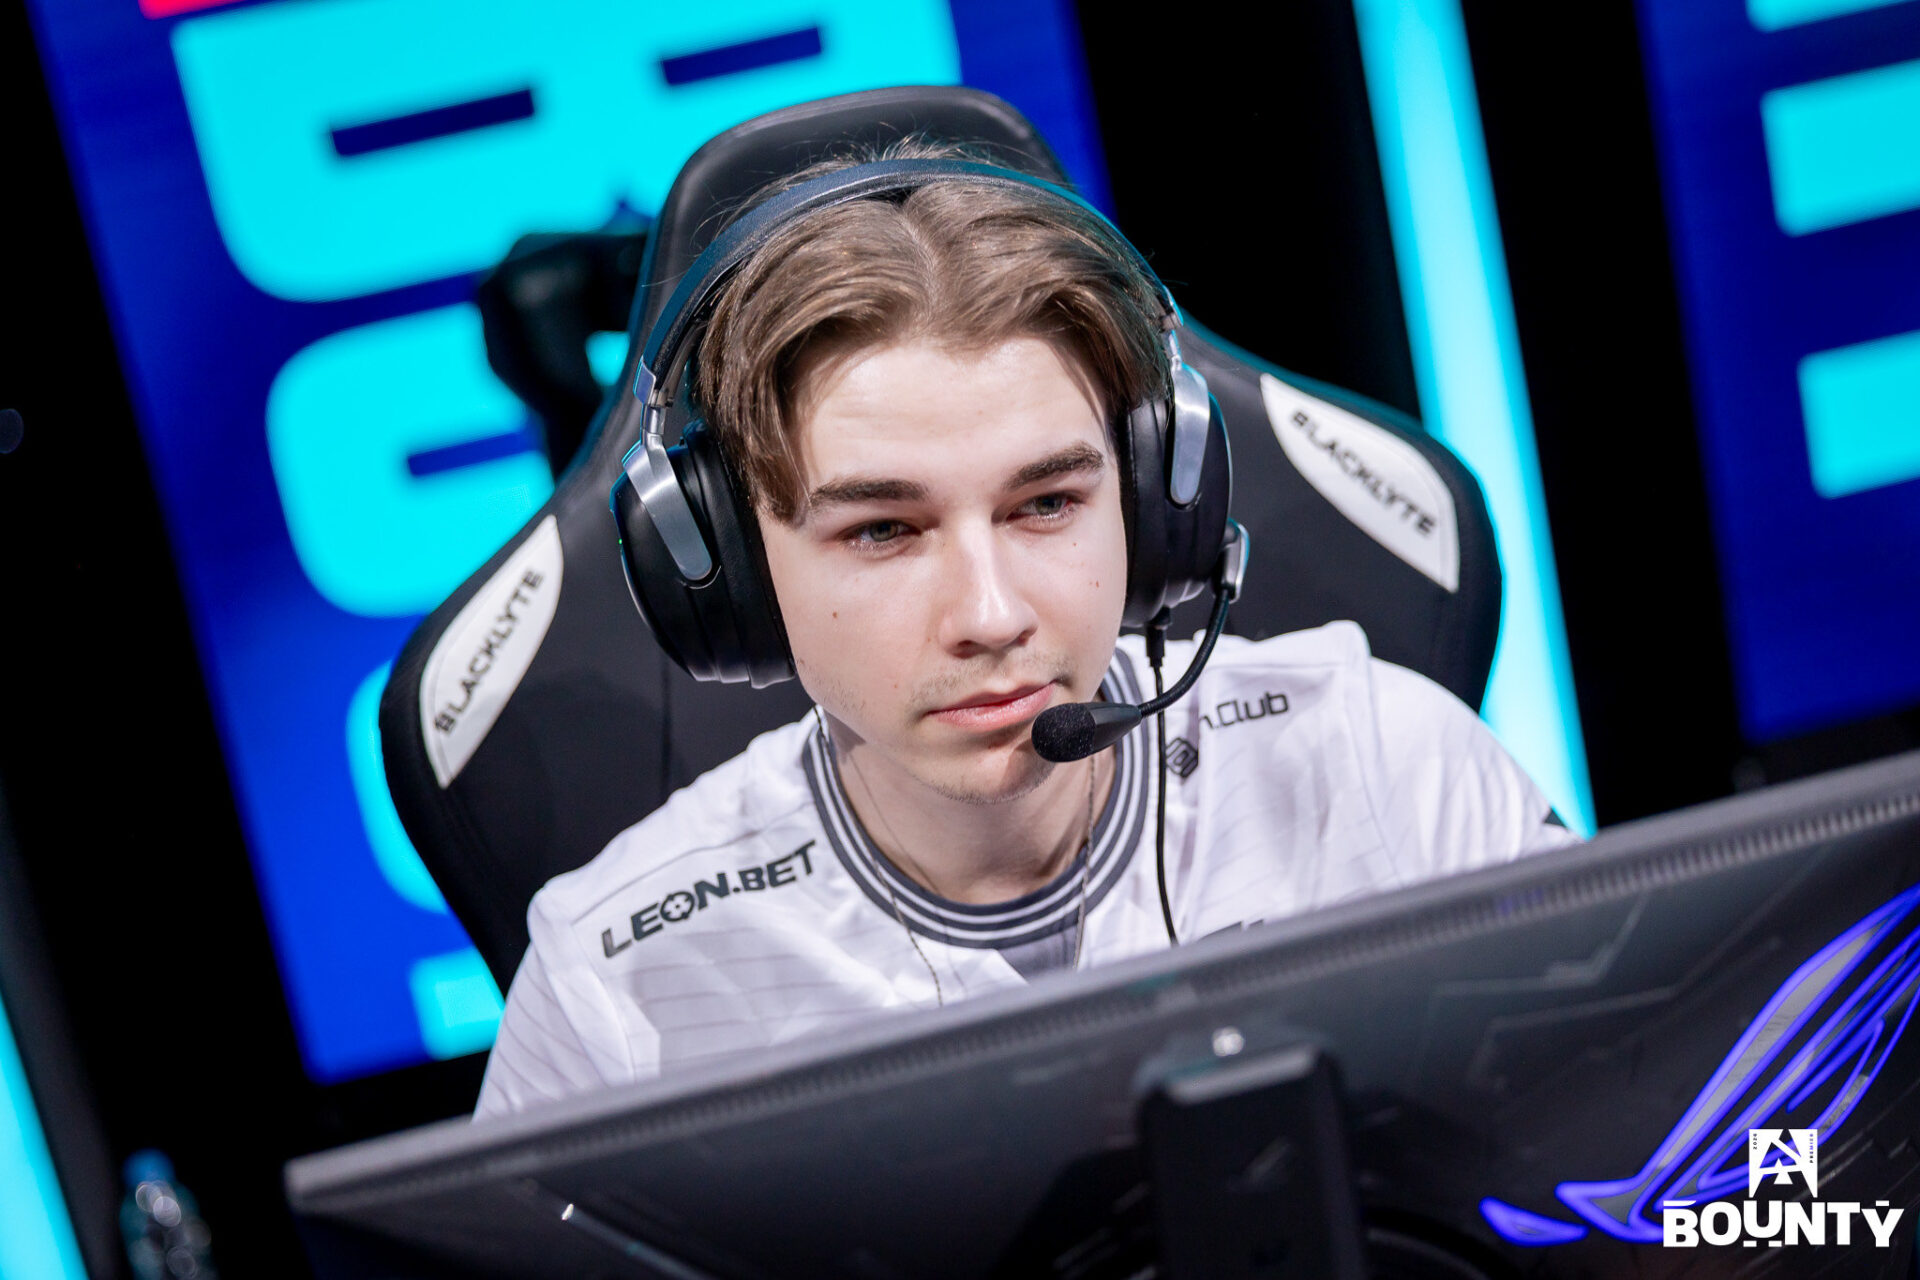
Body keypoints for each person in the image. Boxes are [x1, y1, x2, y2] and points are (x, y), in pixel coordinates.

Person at [473, 142, 1576, 1118]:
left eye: (1047, 504)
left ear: (1157, 505)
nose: (992, 616)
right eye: (882, 529)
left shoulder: (1383, 762)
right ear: (732, 575)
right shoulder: (614, 984)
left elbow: (1651, 1193)